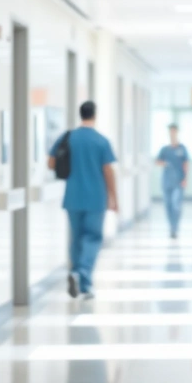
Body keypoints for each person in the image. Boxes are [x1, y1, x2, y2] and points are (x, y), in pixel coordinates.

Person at [49, 101, 118, 300]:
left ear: (80, 114)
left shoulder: (68, 137)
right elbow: (108, 171)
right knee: (93, 238)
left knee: (77, 238)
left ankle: (77, 275)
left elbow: (51, 162)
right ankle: (83, 276)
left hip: (73, 197)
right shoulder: (101, 141)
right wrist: (113, 197)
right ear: (94, 115)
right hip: (96, 198)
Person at [156, 124, 189, 239]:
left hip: (178, 181)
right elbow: (157, 161)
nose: (172, 133)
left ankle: (175, 227)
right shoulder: (164, 149)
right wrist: (164, 163)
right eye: (171, 132)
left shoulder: (182, 148)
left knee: (176, 205)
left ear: (177, 132)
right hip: (166, 181)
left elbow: (186, 163)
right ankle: (171, 227)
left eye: (174, 131)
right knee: (168, 205)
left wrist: (185, 178)